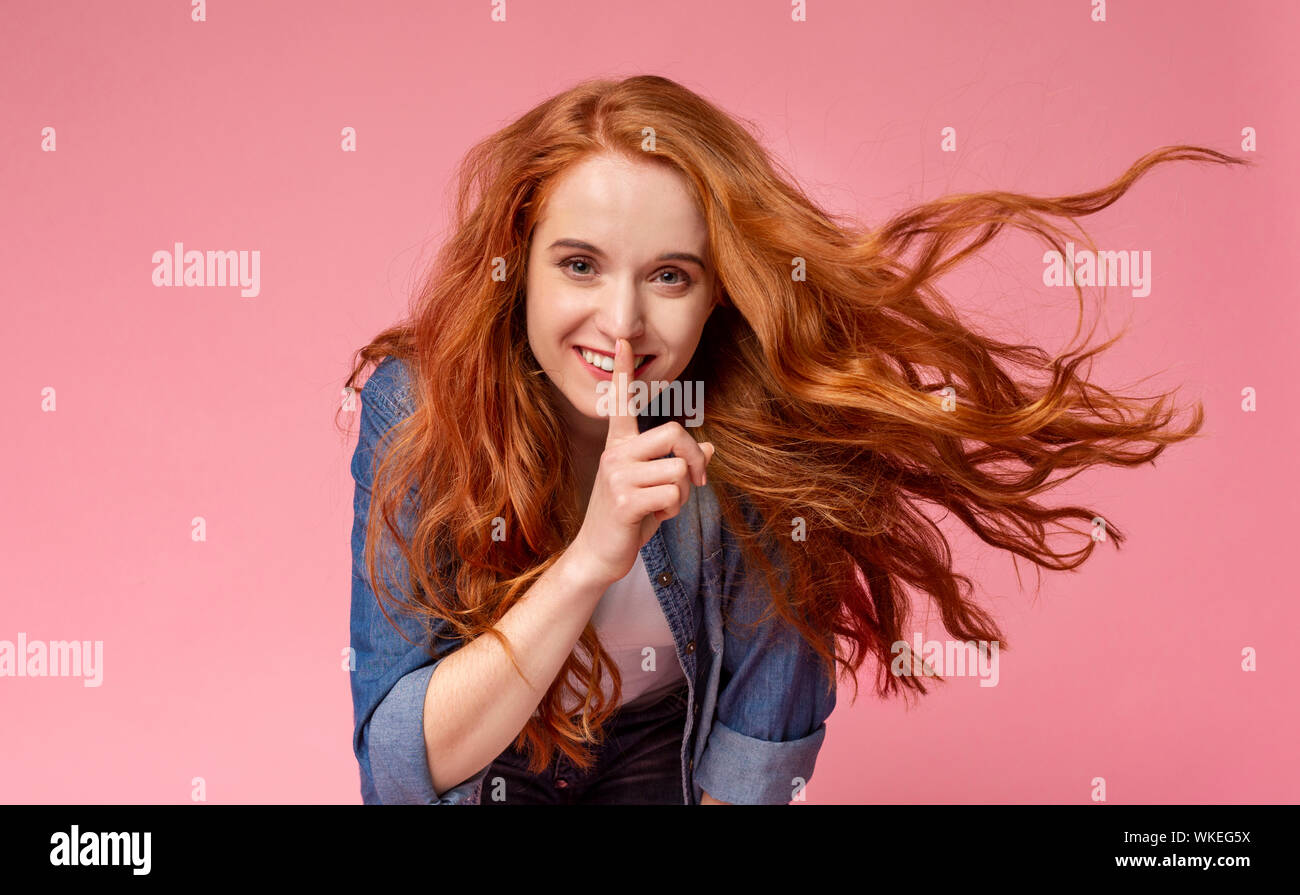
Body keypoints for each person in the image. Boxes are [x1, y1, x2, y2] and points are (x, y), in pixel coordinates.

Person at [341, 74, 1248, 805]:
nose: (620, 321)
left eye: (669, 275)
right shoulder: (418, 409)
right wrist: (591, 560)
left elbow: (757, 750)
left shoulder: (767, 433)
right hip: (490, 766)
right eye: (579, 264)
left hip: (668, 763)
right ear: (519, 260)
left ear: (719, 292)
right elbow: (399, 768)